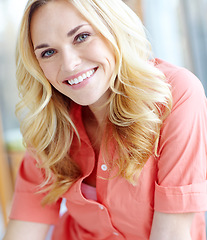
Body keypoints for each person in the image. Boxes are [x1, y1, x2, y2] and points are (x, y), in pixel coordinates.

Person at [3, 0, 207, 239]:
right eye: (48, 52)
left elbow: (173, 234)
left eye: (81, 37)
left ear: (112, 27)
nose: (69, 64)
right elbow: (23, 232)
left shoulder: (174, 95)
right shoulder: (51, 126)